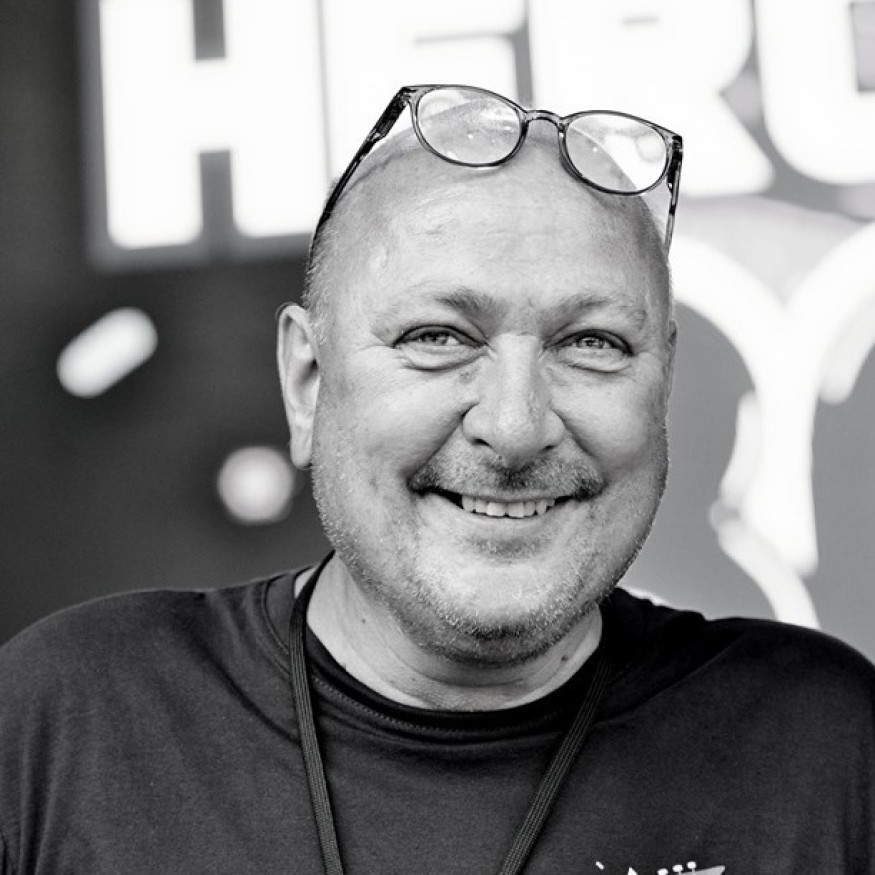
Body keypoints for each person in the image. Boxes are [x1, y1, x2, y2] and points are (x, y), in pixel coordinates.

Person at [0, 84, 872, 874]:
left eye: (592, 343)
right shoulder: (68, 719)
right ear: (307, 381)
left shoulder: (821, 745)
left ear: (662, 387)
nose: (515, 426)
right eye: (438, 337)